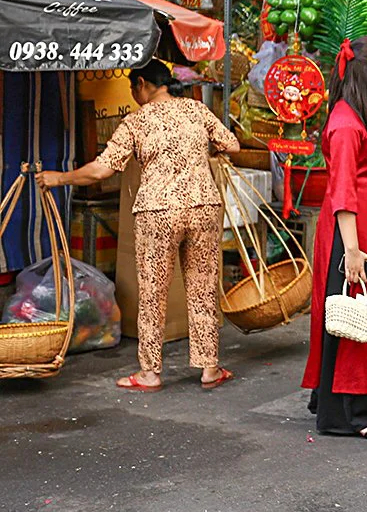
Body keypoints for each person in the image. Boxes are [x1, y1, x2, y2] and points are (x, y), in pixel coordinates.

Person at [35, 59, 239, 391]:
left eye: (133, 88)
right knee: (202, 290)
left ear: (142, 84)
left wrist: (60, 178)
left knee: (153, 293)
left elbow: (102, 170)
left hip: (158, 212)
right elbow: (232, 144)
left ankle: (150, 373)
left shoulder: (137, 121)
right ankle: (209, 368)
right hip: (203, 207)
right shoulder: (197, 111)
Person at [301, 37, 367, 441]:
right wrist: (355, 250)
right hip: (351, 236)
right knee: (355, 320)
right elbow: (343, 191)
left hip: (362, 232)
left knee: (347, 317)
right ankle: (349, 413)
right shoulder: (346, 123)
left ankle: (331, 400)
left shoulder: (360, 114)